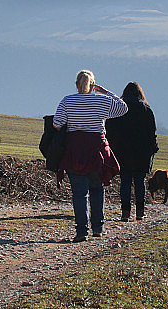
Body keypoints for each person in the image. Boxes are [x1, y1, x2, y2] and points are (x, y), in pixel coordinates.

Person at [53, 70, 128, 242]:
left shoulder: (67, 101)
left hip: (74, 151)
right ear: (93, 85)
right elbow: (123, 108)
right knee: (97, 188)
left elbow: (57, 124)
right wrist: (105, 92)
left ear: (76, 84)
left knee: (79, 193)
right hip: (97, 152)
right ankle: (98, 228)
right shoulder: (100, 100)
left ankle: (81, 231)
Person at [106, 82, 158, 222]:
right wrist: (154, 147)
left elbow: (109, 129)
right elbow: (152, 132)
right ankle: (140, 212)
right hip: (141, 153)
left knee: (125, 181)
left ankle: (125, 212)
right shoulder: (146, 109)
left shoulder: (118, 110)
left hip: (122, 152)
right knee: (140, 181)